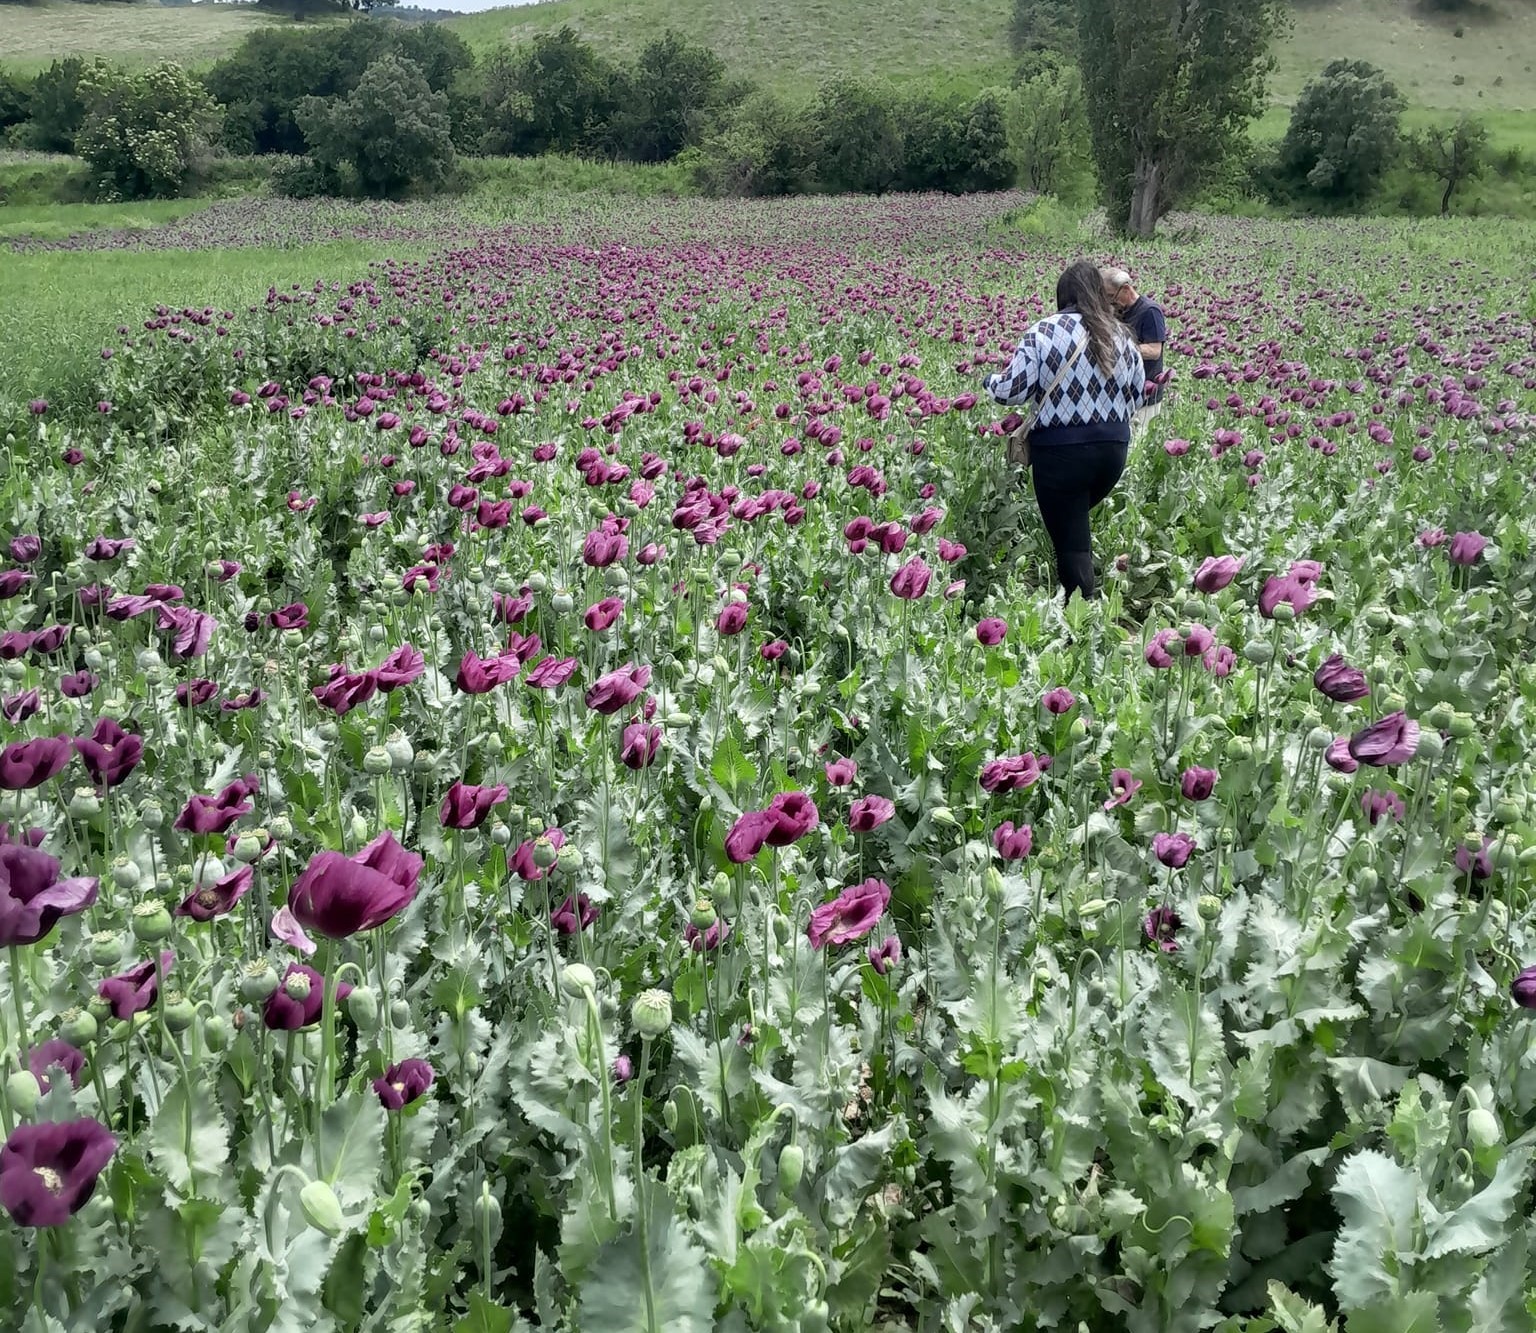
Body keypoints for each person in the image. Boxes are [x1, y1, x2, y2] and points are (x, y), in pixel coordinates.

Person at [984, 260, 1146, 601]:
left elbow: (1010, 391)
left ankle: (1080, 618)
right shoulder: (1124, 337)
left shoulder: (1043, 332)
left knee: (1072, 545)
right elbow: (1136, 395)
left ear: (1063, 294)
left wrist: (988, 380)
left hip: (1061, 454)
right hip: (1112, 451)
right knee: (1074, 527)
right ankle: (1083, 601)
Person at [1100, 266, 1167, 434]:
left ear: (1125, 289)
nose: (1109, 301)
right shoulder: (1118, 311)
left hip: (1146, 392)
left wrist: (1123, 348)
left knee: (1138, 442)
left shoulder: (1150, 311)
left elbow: (1154, 350)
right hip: (1122, 392)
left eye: (1110, 296)